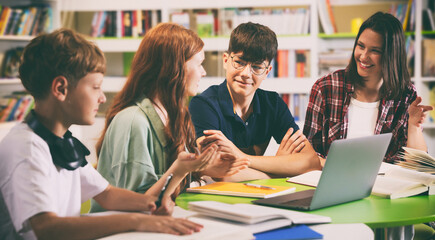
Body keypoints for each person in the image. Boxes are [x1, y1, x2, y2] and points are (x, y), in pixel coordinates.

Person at [0, 29, 203, 240]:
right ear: (60, 89)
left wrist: (152, 204)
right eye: (96, 87)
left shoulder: (60, 140)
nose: (102, 98)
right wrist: (137, 221)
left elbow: (107, 194)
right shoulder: (26, 148)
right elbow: (46, 228)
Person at [91, 23, 248, 213]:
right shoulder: (133, 121)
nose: (203, 72)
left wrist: (202, 169)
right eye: (199, 64)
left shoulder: (174, 115)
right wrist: (181, 170)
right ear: (175, 67)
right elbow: (137, 206)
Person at [189, 22, 321, 182]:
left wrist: (242, 157)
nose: (246, 73)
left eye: (257, 67)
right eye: (239, 62)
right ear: (225, 60)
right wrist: (279, 169)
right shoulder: (203, 105)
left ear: (267, 72)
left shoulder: (273, 104)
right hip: (215, 199)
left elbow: (310, 162)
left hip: (260, 196)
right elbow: (220, 173)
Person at [303, 12, 433, 165]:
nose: (364, 56)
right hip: (332, 183)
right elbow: (307, 154)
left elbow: (415, 167)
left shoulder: (406, 95)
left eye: (375, 50)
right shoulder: (325, 88)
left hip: (385, 186)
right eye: (361, 46)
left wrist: (413, 127)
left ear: (391, 55)